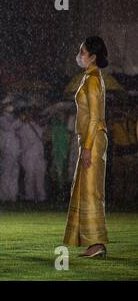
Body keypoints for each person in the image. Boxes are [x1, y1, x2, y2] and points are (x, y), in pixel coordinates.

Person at [63, 36, 109, 258]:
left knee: (91, 191)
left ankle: (96, 243)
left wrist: (88, 147)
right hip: (90, 139)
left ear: (93, 56)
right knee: (86, 189)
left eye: (82, 52)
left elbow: (94, 117)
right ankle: (91, 241)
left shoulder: (92, 79)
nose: (79, 55)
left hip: (93, 138)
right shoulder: (91, 77)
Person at [17, 107, 47, 202]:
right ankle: (30, 197)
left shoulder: (38, 127)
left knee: (39, 176)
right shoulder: (23, 127)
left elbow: (45, 137)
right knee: (30, 176)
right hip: (28, 155)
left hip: (39, 155)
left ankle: (40, 197)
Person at [0, 97, 22, 202]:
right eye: (8, 104)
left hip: (16, 151)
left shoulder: (13, 119)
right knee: (6, 174)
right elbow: (10, 127)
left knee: (14, 174)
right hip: (7, 151)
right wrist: (20, 119)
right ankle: (4, 197)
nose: (11, 106)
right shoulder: (1, 120)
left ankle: (13, 196)